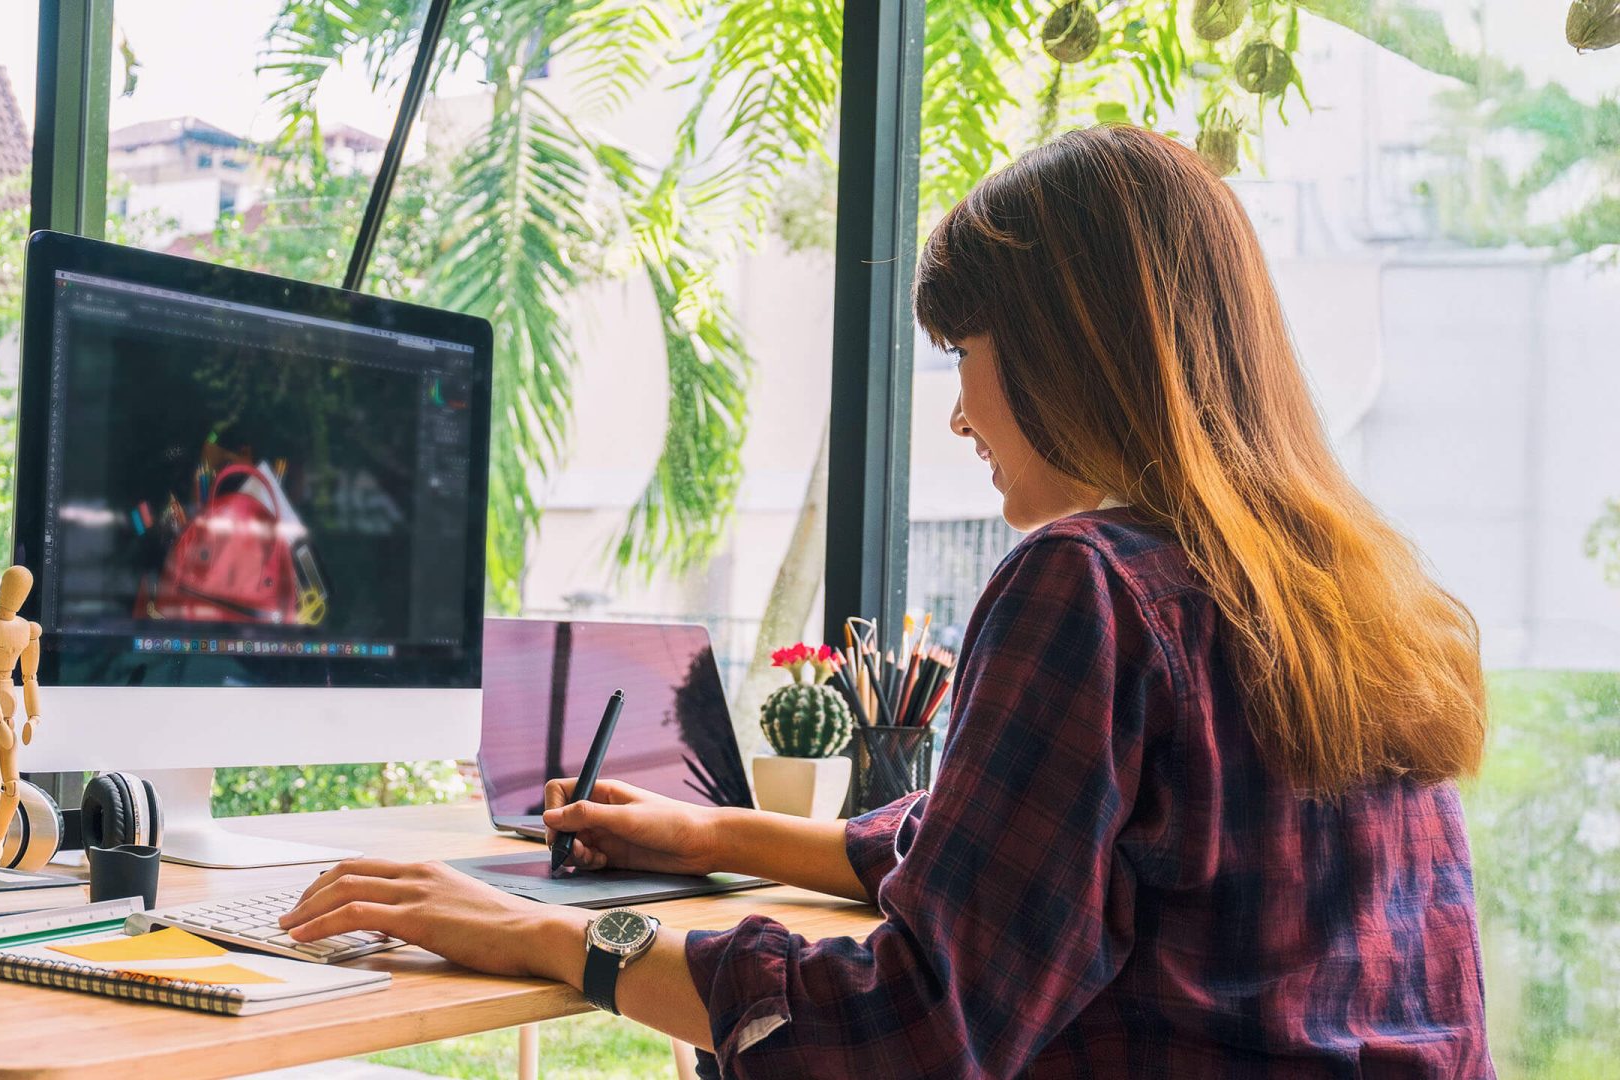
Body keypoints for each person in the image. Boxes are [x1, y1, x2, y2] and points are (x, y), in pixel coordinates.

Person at [278, 125, 1494, 1078]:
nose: (960, 415)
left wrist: (546, 935)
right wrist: (721, 837)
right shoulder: (1351, 595)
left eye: (964, 356)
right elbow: (1039, 871)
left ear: (1068, 348)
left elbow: (913, 1036)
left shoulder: (1091, 584)